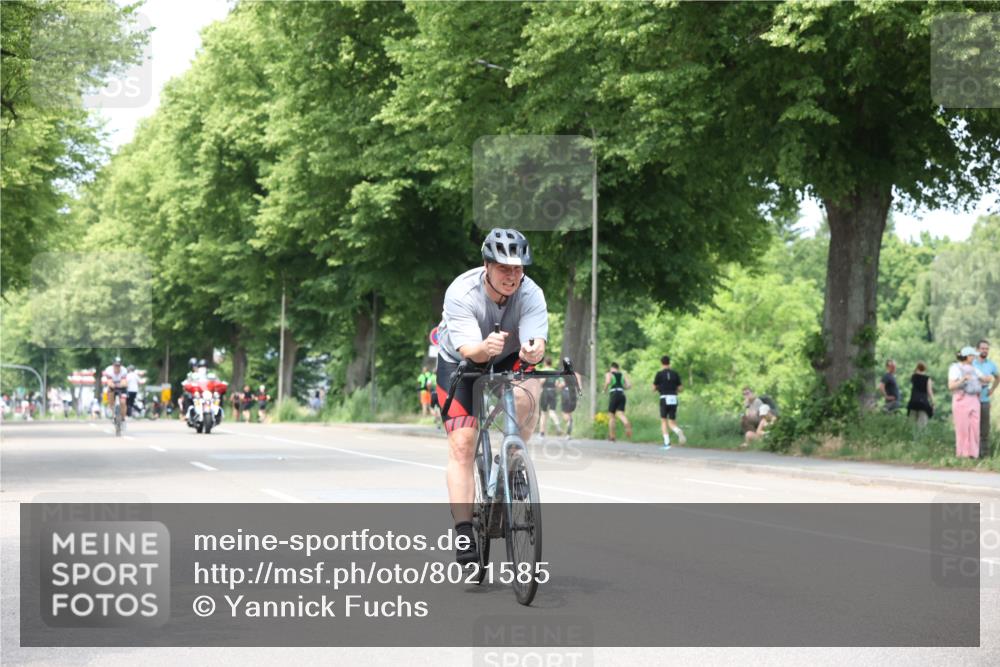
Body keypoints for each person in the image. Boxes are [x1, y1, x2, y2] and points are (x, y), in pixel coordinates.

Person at [434, 228, 547, 565]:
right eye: (503, 268)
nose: (511, 276)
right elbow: (471, 349)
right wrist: (484, 348)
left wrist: (533, 351)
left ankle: (515, 462)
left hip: (507, 355)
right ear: (486, 266)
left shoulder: (532, 293)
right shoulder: (461, 292)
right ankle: (465, 529)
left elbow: (536, 343)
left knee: (530, 391)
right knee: (463, 444)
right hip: (461, 360)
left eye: (517, 269)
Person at [948, 346, 994, 459]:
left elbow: (984, 378)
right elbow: (951, 386)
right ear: (967, 356)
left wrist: (987, 379)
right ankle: (962, 455)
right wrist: (963, 379)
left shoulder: (974, 369)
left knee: (974, 428)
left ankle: (973, 455)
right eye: (972, 355)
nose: (974, 358)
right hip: (961, 399)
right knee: (962, 428)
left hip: (974, 400)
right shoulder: (955, 368)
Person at [653, 355, 686, 449]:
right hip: (673, 398)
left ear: (661, 363)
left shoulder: (659, 374)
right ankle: (678, 430)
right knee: (672, 422)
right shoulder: (675, 374)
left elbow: (653, 388)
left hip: (664, 397)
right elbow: (680, 388)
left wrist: (660, 387)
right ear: (669, 362)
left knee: (663, 421)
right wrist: (673, 388)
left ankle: (667, 443)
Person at [973, 339, 999, 458]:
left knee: (984, 430)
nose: (985, 351)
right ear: (977, 349)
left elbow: (998, 377)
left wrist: (992, 389)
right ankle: (973, 454)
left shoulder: (991, 364)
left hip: (984, 401)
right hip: (971, 400)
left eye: (987, 349)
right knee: (972, 429)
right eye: (983, 348)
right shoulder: (972, 363)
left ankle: (985, 456)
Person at [602, 362, 633, 441]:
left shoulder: (609, 374)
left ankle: (612, 436)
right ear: (618, 368)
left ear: (611, 367)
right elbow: (629, 385)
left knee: (611, 416)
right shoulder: (622, 375)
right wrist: (622, 387)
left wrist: (604, 390)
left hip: (614, 394)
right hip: (622, 394)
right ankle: (626, 424)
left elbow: (608, 382)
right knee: (620, 414)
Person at [537, 357, 562, 439]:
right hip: (553, 392)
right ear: (551, 363)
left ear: (545, 363)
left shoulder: (543, 370)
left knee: (543, 413)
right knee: (552, 412)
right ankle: (557, 424)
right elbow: (559, 384)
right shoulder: (555, 371)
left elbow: (541, 381)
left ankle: (541, 434)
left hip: (545, 391)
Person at [905, 362, 935, 428]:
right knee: (921, 427)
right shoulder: (927, 379)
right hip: (923, 404)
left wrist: (916, 370)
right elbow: (929, 391)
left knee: (911, 426)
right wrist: (933, 402)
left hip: (913, 403)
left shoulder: (913, 377)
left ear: (917, 368)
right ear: (925, 368)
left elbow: (914, 374)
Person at [557, 371, 582, 439]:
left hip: (565, 394)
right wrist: (579, 399)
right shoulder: (577, 375)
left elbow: (561, 385)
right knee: (569, 414)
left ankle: (569, 423)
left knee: (565, 414)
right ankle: (568, 434)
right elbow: (579, 387)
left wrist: (558, 386)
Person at [104, 357, 129, 424]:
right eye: (116, 365)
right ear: (113, 365)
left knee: (123, 402)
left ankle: (123, 418)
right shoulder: (109, 370)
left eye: (118, 365)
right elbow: (109, 382)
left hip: (122, 388)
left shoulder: (124, 370)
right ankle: (113, 413)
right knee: (110, 394)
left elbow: (124, 383)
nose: (117, 367)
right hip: (113, 386)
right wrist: (114, 385)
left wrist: (120, 384)